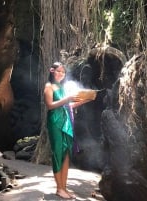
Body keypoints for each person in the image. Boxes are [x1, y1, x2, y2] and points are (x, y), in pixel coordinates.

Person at [44, 62, 96, 199]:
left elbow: (69, 106)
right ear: (52, 71)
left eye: (63, 72)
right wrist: (67, 98)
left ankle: (64, 188)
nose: (61, 74)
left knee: (66, 154)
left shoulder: (62, 87)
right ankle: (59, 188)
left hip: (66, 122)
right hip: (55, 122)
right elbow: (50, 105)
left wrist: (86, 99)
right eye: (58, 71)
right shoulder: (49, 87)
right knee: (58, 154)